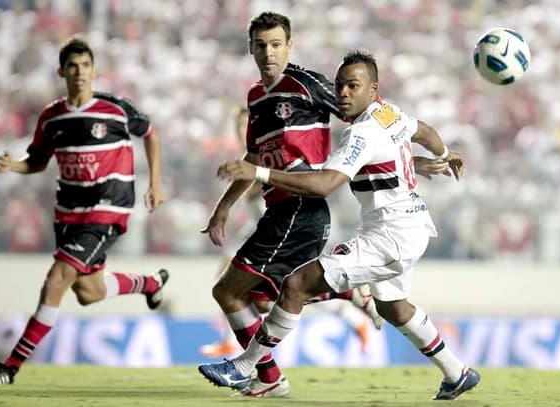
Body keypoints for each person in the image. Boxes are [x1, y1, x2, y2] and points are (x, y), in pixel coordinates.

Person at [199, 50, 479, 401]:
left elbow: (323, 185)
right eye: (340, 86)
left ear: (373, 89)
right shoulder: (388, 113)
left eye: (353, 86)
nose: (343, 93)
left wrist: (256, 171)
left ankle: (243, 367)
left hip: (390, 236)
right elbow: (424, 131)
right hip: (411, 225)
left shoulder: (360, 134)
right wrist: (440, 157)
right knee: (393, 307)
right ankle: (457, 373)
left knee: (297, 284)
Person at [200, 12, 389, 398]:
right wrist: (223, 208)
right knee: (262, 295)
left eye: (276, 44)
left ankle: (264, 376)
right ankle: (343, 294)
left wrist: (405, 149)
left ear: (290, 46)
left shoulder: (307, 84)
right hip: (279, 211)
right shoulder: (256, 97)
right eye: (261, 45)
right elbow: (253, 159)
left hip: (302, 209)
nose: (268, 53)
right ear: (250, 48)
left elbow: (367, 114)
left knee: (229, 292)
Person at [0, 37, 169, 385]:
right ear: (62, 71)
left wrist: (156, 182)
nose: (80, 72)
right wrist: (13, 166)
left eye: (85, 66)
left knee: (57, 280)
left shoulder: (115, 109)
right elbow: (36, 162)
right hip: (70, 212)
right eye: (73, 66)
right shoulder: (51, 117)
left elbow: (151, 134)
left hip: (108, 209)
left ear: (94, 70)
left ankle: (11, 367)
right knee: (88, 291)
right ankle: (150, 283)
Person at [200, 106, 383, 359]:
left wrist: (252, 178)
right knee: (262, 296)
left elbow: (268, 183)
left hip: (289, 225)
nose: (244, 130)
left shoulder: (270, 151)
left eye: (246, 125)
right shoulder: (253, 156)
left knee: (260, 289)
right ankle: (349, 299)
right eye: (239, 127)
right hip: (265, 227)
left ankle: (347, 297)